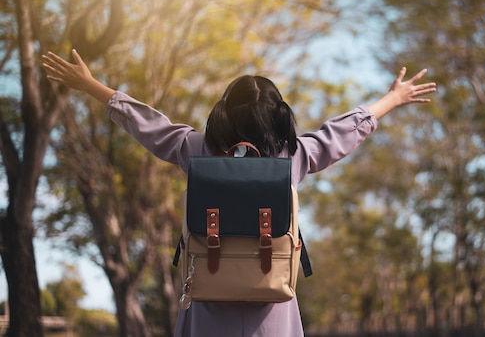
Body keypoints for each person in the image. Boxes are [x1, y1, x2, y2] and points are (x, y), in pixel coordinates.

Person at [42, 49, 437, 337]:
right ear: (278, 118)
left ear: (222, 114)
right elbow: (340, 133)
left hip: (208, 301)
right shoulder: (292, 156)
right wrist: (393, 98)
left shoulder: (196, 150)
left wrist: (90, 85)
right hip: (272, 308)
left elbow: (148, 124)